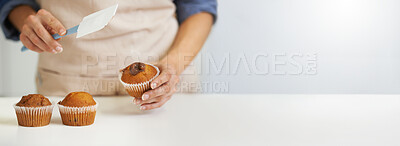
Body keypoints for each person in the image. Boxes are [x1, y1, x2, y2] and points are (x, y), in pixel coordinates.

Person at [0, 0, 217, 110]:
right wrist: (28, 22)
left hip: (165, 79)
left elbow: (198, 5)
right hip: (67, 77)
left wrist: (173, 65)